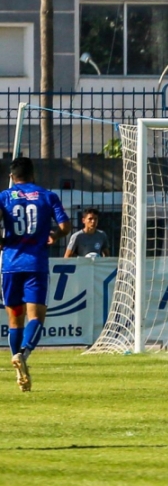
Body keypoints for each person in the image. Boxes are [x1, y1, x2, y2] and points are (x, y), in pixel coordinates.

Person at [0, 157, 71, 391]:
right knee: (36, 317)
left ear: (12, 177)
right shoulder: (47, 195)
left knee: (14, 319)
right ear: (33, 175)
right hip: (35, 264)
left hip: (10, 263)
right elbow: (65, 226)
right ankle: (23, 355)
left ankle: (16, 364)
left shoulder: (4, 196)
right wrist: (54, 236)